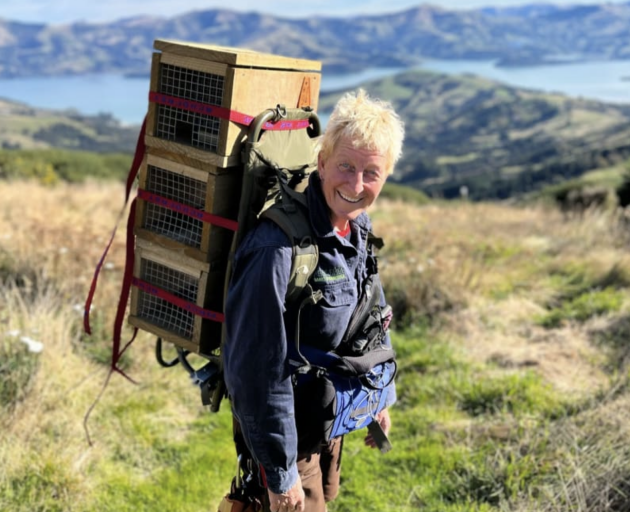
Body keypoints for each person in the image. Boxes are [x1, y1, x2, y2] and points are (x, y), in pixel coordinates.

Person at [223, 89, 405, 512]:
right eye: (345, 166)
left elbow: (371, 319)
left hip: (329, 422)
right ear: (321, 162)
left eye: (371, 173)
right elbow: (256, 371)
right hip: (289, 439)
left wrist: (378, 398)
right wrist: (280, 474)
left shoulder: (357, 231)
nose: (356, 185)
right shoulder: (277, 248)